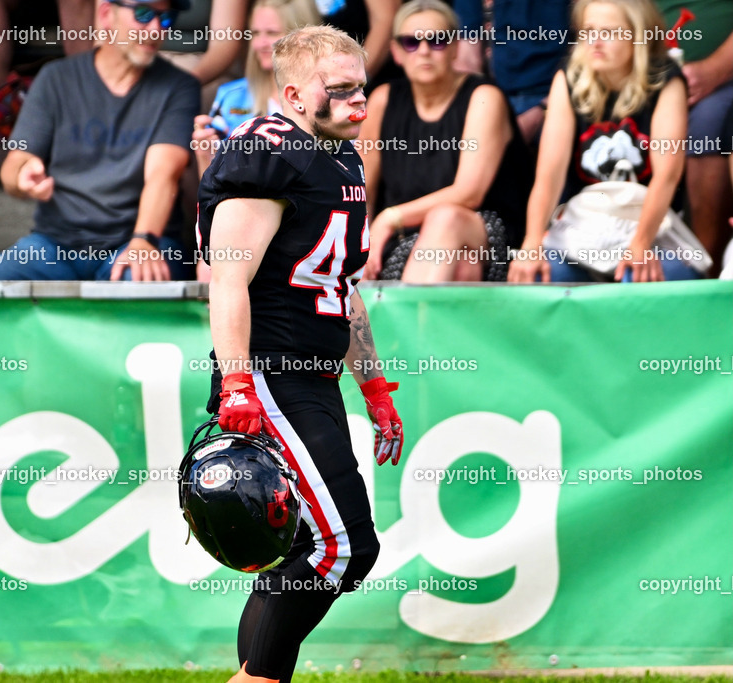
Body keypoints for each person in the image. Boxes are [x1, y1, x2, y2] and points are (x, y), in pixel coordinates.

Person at [197, 25, 404, 683]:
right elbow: (227, 278)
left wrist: (373, 387)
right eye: (338, 89)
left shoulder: (341, 157)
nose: (357, 100)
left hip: (314, 376)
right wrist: (238, 382)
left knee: (307, 546)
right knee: (346, 547)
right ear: (292, 94)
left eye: (361, 87)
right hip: (270, 372)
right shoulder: (268, 151)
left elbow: (342, 286)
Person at [0, 0, 199, 282]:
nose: (155, 28)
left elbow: (163, 175)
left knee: (137, 291)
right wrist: (22, 177)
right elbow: (15, 163)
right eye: (143, 13)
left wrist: (144, 240)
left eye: (166, 18)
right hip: (55, 244)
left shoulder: (180, 87)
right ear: (106, 15)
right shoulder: (56, 77)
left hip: (137, 240)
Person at [508, 0, 696, 283]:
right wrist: (531, 243)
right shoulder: (569, 78)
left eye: (608, 32)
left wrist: (640, 244)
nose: (594, 42)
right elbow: (549, 176)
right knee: (541, 274)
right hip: (585, 226)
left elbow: (667, 176)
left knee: (636, 278)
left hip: (651, 228)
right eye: (588, 31)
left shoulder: (665, 79)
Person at [359, 0, 533, 282]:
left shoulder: (483, 97)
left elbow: (468, 194)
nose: (424, 51)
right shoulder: (381, 101)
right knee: (462, 266)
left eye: (437, 40)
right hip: (405, 239)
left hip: (483, 232)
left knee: (446, 219)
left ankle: (408, 311)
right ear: (396, 52)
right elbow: (362, 190)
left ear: (455, 48)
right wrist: (359, 247)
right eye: (411, 42)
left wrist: (390, 218)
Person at [192, 0, 321, 177]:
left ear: (305, 39)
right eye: (255, 33)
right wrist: (205, 156)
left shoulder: (332, 97)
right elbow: (211, 186)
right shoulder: (231, 97)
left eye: (272, 33)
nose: (260, 44)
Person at [654, 0, 733, 277]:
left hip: (721, 81)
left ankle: (704, 271)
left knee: (707, 123)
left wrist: (714, 69)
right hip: (646, 71)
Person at [453, 0, 572, 147]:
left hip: (555, 99)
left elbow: (584, 48)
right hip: (495, 98)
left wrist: (545, 108)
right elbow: (467, 61)